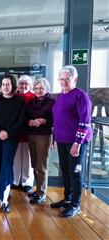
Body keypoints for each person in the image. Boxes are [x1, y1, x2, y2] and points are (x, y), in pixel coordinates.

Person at [51, 65, 92, 218]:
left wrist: (77, 143)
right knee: (65, 170)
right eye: (61, 79)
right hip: (62, 140)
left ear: (75, 79)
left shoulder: (81, 96)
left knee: (75, 172)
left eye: (67, 79)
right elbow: (58, 120)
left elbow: (85, 122)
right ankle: (67, 199)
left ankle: (75, 204)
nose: (63, 82)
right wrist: (54, 138)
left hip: (76, 141)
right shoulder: (61, 96)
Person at [0, 75, 25, 212]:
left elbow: (21, 122)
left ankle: (3, 198)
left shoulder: (19, 102)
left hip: (11, 138)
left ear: (13, 86)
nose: (5, 87)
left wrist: (8, 133)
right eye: (3, 84)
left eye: (8, 84)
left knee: (6, 165)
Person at [26, 78, 55, 204]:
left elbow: (54, 120)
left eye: (41, 88)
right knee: (34, 164)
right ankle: (37, 189)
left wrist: (44, 121)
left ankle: (42, 192)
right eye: (36, 88)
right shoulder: (31, 102)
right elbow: (26, 116)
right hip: (31, 134)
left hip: (44, 135)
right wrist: (29, 121)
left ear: (47, 89)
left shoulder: (51, 102)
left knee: (41, 165)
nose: (38, 90)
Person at [13, 75, 35, 193]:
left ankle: (27, 182)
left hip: (29, 131)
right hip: (16, 132)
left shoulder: (33, 97)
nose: (24, 86)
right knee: (15, 157)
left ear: (30, 85)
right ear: (17, 85)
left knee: (28, 158)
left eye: (26, 84)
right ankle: (16, 180)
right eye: (21, 83)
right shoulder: (14, 96)